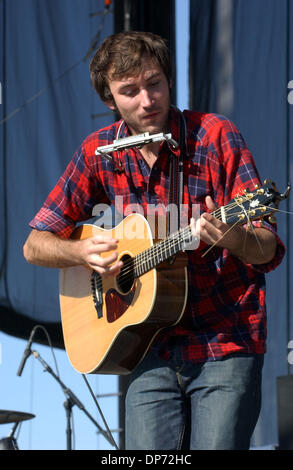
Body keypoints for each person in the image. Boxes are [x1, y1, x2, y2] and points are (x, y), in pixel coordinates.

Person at [23, 31, 285, 450]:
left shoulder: (215, 136)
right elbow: (34, 244)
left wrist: (234, 238)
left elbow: (268, 247)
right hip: (146, 347)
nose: (148, 100)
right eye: (130, 91)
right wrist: (81, 251)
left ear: (168, 80)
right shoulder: (99, 152)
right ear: (109, 100)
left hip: (223, 340)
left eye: (155, 84)